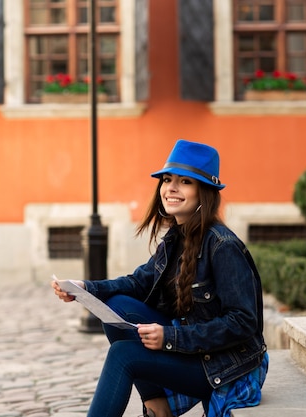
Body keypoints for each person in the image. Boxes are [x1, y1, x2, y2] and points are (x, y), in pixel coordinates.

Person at [51, 139, 268, 417]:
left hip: (227, 364)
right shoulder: (175, 239)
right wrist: (85, 288)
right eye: (167, 180)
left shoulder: (222, 247)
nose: (171, 188)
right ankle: (158, 406)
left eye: (185, 182)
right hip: (197, 351)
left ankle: (157, 407)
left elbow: (243, 323)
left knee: (123, 355)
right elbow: (138, 282)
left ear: (205, 192)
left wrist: (171, 336)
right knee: (117, 305)